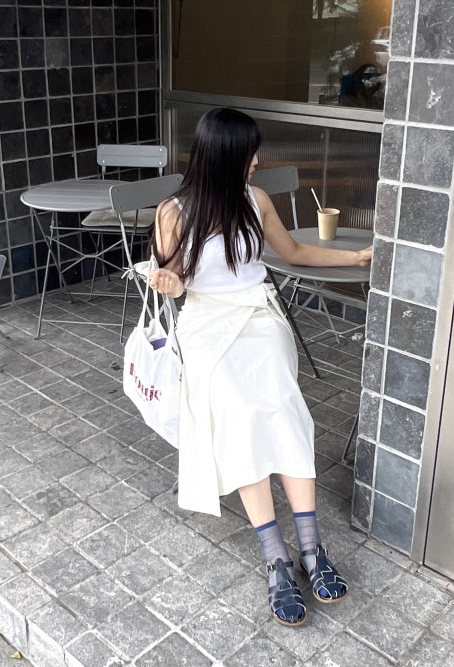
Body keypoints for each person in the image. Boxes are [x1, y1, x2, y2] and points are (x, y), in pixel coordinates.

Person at [150, 107, 373, 627]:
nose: (256, 161)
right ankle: (276, 558)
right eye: (250, 153)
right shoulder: (173, 213)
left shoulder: (256, 199)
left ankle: (312, 549)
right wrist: (170, 282)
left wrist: (354, 258)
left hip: (258, 319)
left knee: (287, 418)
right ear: (225, 155)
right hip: (208, 329)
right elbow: (175, 279)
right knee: (243, 427)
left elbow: (292, 251)